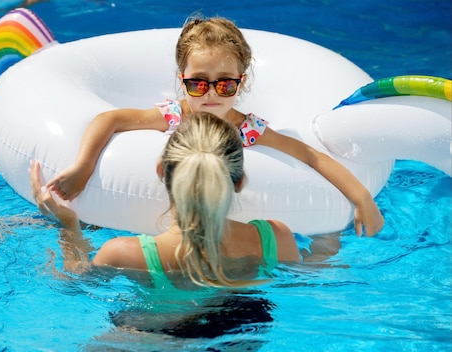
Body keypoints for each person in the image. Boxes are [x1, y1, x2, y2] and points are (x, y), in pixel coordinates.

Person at [43, 15, 384, 237]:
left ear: (241, 82)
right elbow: (110, 119)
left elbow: (311, 157)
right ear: (182, 80)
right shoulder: (173, 115)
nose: (210, 94)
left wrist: (362, 199)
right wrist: (84, 167)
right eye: (197, 84)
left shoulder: (249, 130)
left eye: (224, 85)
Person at [31, 111, 303, 287]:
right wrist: (330, 243)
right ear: (239, 182)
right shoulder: (276, 239)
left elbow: (73, 284)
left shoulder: (125, 254)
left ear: (161, 170)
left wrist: (67, 228)